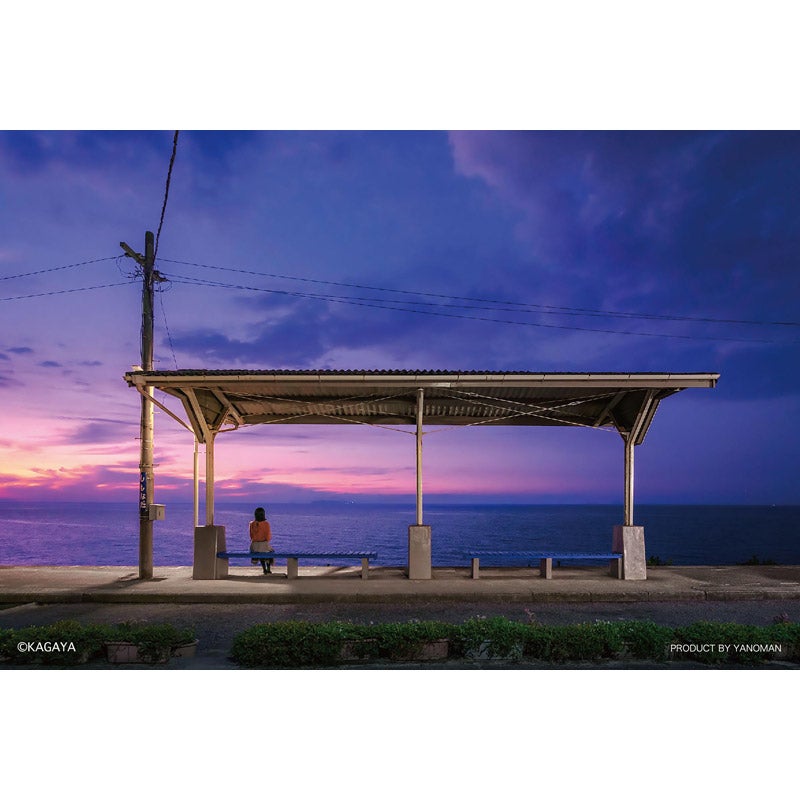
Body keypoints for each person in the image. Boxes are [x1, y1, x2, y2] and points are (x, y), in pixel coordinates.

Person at [249, 506, 274, 574]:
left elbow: (251, 536)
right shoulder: (266, 524)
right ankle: (268, 568)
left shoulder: (251, 524)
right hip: (263, 544)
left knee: (260, 552)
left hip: (254, 545)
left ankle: (264, 569)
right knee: (270, 551)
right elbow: (268, 537)